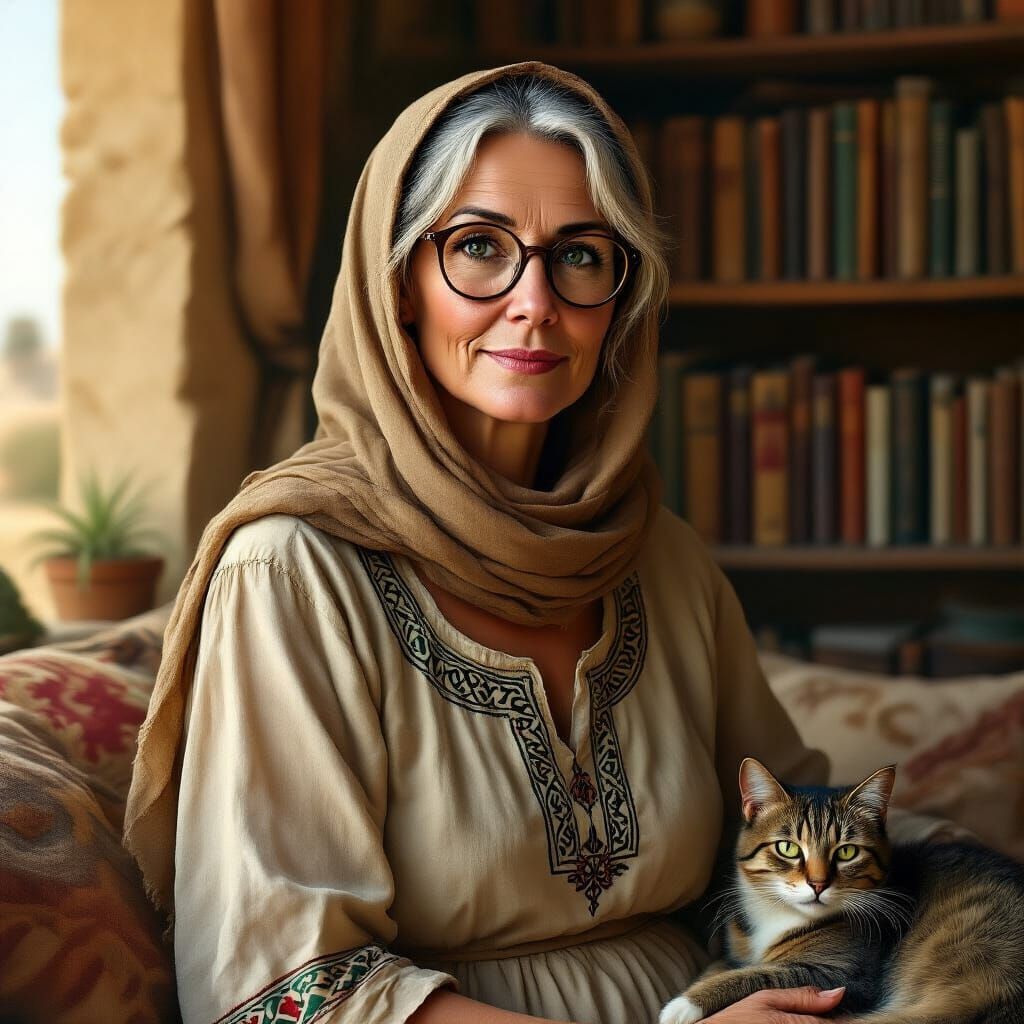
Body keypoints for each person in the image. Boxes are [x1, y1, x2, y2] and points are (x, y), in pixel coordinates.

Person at [124, 61, 950, 1024]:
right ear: (395, 285)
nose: (536, 301)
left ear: (623, 304)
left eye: (583, 255)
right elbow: (282, 991)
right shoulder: (295, 572)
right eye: (479, 246)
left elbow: (807, 827)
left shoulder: (662, 559)